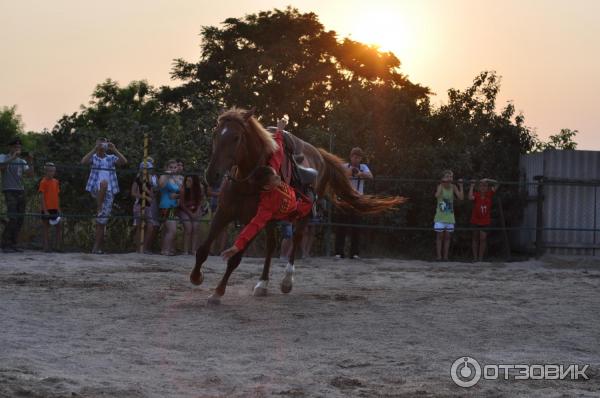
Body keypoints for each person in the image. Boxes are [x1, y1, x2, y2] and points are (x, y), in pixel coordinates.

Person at [221, 166, 312, 259]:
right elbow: (254, 225)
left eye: (275, 174)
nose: (278, 177)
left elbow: (275, 160)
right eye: (274, 178)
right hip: (293, 213)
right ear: (267, 186)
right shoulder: (267, 205)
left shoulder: (273, 179)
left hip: (300, 199)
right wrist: (237, 246)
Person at [81, 138, 127, 254]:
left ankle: (97, 247)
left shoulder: (110, 158)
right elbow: (83, 162)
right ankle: (99, 207)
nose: (102, 145)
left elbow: (124, 162)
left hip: (110, 192)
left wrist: (114, 149)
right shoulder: (94, 157)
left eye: (104, 143)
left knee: (102, 221)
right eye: (100, 143)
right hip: (96, 188)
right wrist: (94, 149)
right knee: (103, 184)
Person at [334, 147, 373, 259]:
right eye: (354, 156)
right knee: (341, 226)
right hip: (345, 199)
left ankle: (354, 253)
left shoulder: (363, 167)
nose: (356, 159)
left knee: (356, 226)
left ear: (361, 158)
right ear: (351, 157)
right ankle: (339, 252)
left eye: (358, 157)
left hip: (357, 199)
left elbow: (371, 176)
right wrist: (349, 173)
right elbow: (338, 176)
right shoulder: (344, 166)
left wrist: (360, 174)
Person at [0, 138, 34, 252]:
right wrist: (13, 157)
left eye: (19, 147)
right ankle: (5, 243)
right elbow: (2, 168)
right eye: (15, 147)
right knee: (13, 217)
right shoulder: (3, 157)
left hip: (20, 190)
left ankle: (13, 244)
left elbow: (30, 175)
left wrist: (30, 161)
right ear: (10, 147)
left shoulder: (22, 161)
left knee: (20, 219)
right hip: (9, 190)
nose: (18, 149)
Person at [434, 170, 464, 261]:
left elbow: (461, 198)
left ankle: (445, 257)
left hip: (450, 216)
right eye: (447, 176)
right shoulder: (440, 186)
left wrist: (461, 186)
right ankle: (439, 257)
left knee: (447, 237)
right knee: (440, 237)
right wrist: (441, 184)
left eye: (451, 177)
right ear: (443, 178)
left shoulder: (454, 187)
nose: (449, 178)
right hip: (440, 216)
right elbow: (436, 195)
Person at [131, 159, 159, 253]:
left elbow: (152, 195)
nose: (149, 171)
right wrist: (144, 197)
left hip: (148, 206)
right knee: (139, 226)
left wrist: (146, 191)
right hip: (139, 205)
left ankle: (145, 247)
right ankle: (138, 248)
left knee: (151, 226)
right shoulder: (137, 179)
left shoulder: (151, 181)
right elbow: (133, 193)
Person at [469, 178, 498, 261]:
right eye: (481, 185)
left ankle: (480, 258)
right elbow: (470, 197)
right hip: (475, 220)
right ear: (478, 187)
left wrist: (487, 179)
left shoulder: (489, 193)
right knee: (475, 238)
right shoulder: (476, 194)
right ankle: (475, 258)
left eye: (485, 186)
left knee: (483, 238)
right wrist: (472, 186)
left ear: (487, 187)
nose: (483, 187)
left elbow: (497, 183)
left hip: (485, 221)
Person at [158, 159, 180, 256]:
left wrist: (177, 196)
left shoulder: (177, 178)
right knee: (172, 230)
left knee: (168, 230)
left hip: (174, 206)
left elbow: (182, 191)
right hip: (166, 206)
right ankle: (165, 250)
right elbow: (161, 185)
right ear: (166, 168)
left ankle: (167, 249)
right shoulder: (164, 176)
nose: (173, 169)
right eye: (170, 167)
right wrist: (167, 174)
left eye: (175, 167)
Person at [179, 174, 205, 255]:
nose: (187, 182)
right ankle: (185, 250)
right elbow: (182, 204)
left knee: (195, 228)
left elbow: (200, 201)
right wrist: (190, 213)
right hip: (184, 209)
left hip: (196, 208)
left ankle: (193, 250)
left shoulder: (200, 188)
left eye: (190, 181)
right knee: (188, 228)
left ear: (194, 182)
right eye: (186, 180)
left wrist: (197, 211)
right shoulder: (183, 189)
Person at [39, 162, 62, 252]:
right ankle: (46, 247)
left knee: (59, 225)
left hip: (55, 208)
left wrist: (59, 208)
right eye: (50, 171)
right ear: (46, 172)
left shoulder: (56, 182)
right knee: (46, 227)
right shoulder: (43, 182)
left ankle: (58, 246)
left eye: (53, 171)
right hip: (47, 208)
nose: (51, 173)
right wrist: (45, 210)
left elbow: (57, 195)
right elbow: (41, 196)